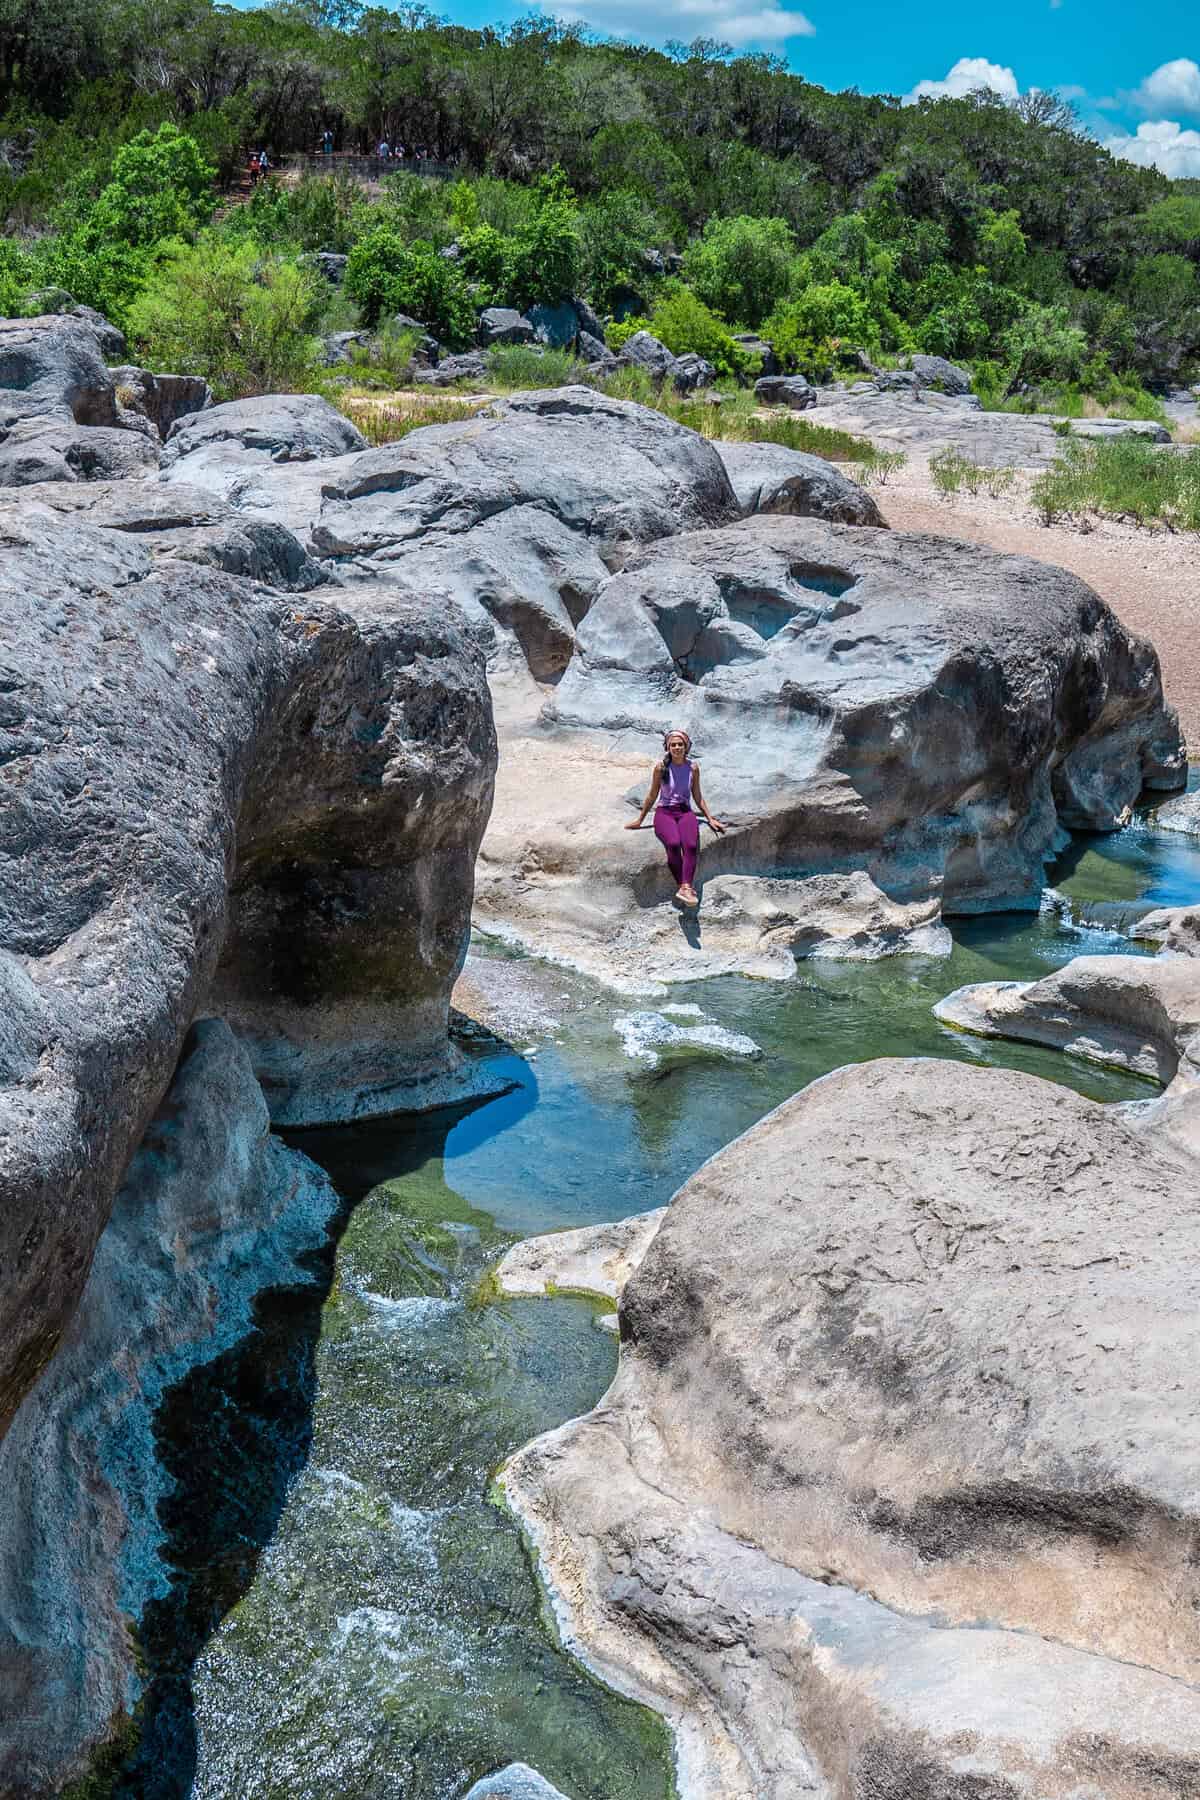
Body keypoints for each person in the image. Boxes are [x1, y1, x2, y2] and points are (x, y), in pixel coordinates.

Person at [625, 727, 724, 907]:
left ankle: (685, 887)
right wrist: (640, 820)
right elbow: (652, 795)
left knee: (691, 845)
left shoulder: (693, 767)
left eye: (680, 744)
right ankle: (685, 887)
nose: (677, 747)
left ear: (686, 747)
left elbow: (697, 795)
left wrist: (710, 818)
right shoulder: (661, 767)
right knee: (673, 843)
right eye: (673, 745)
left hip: (685, 812)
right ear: (668, 747)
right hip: (665, 813)